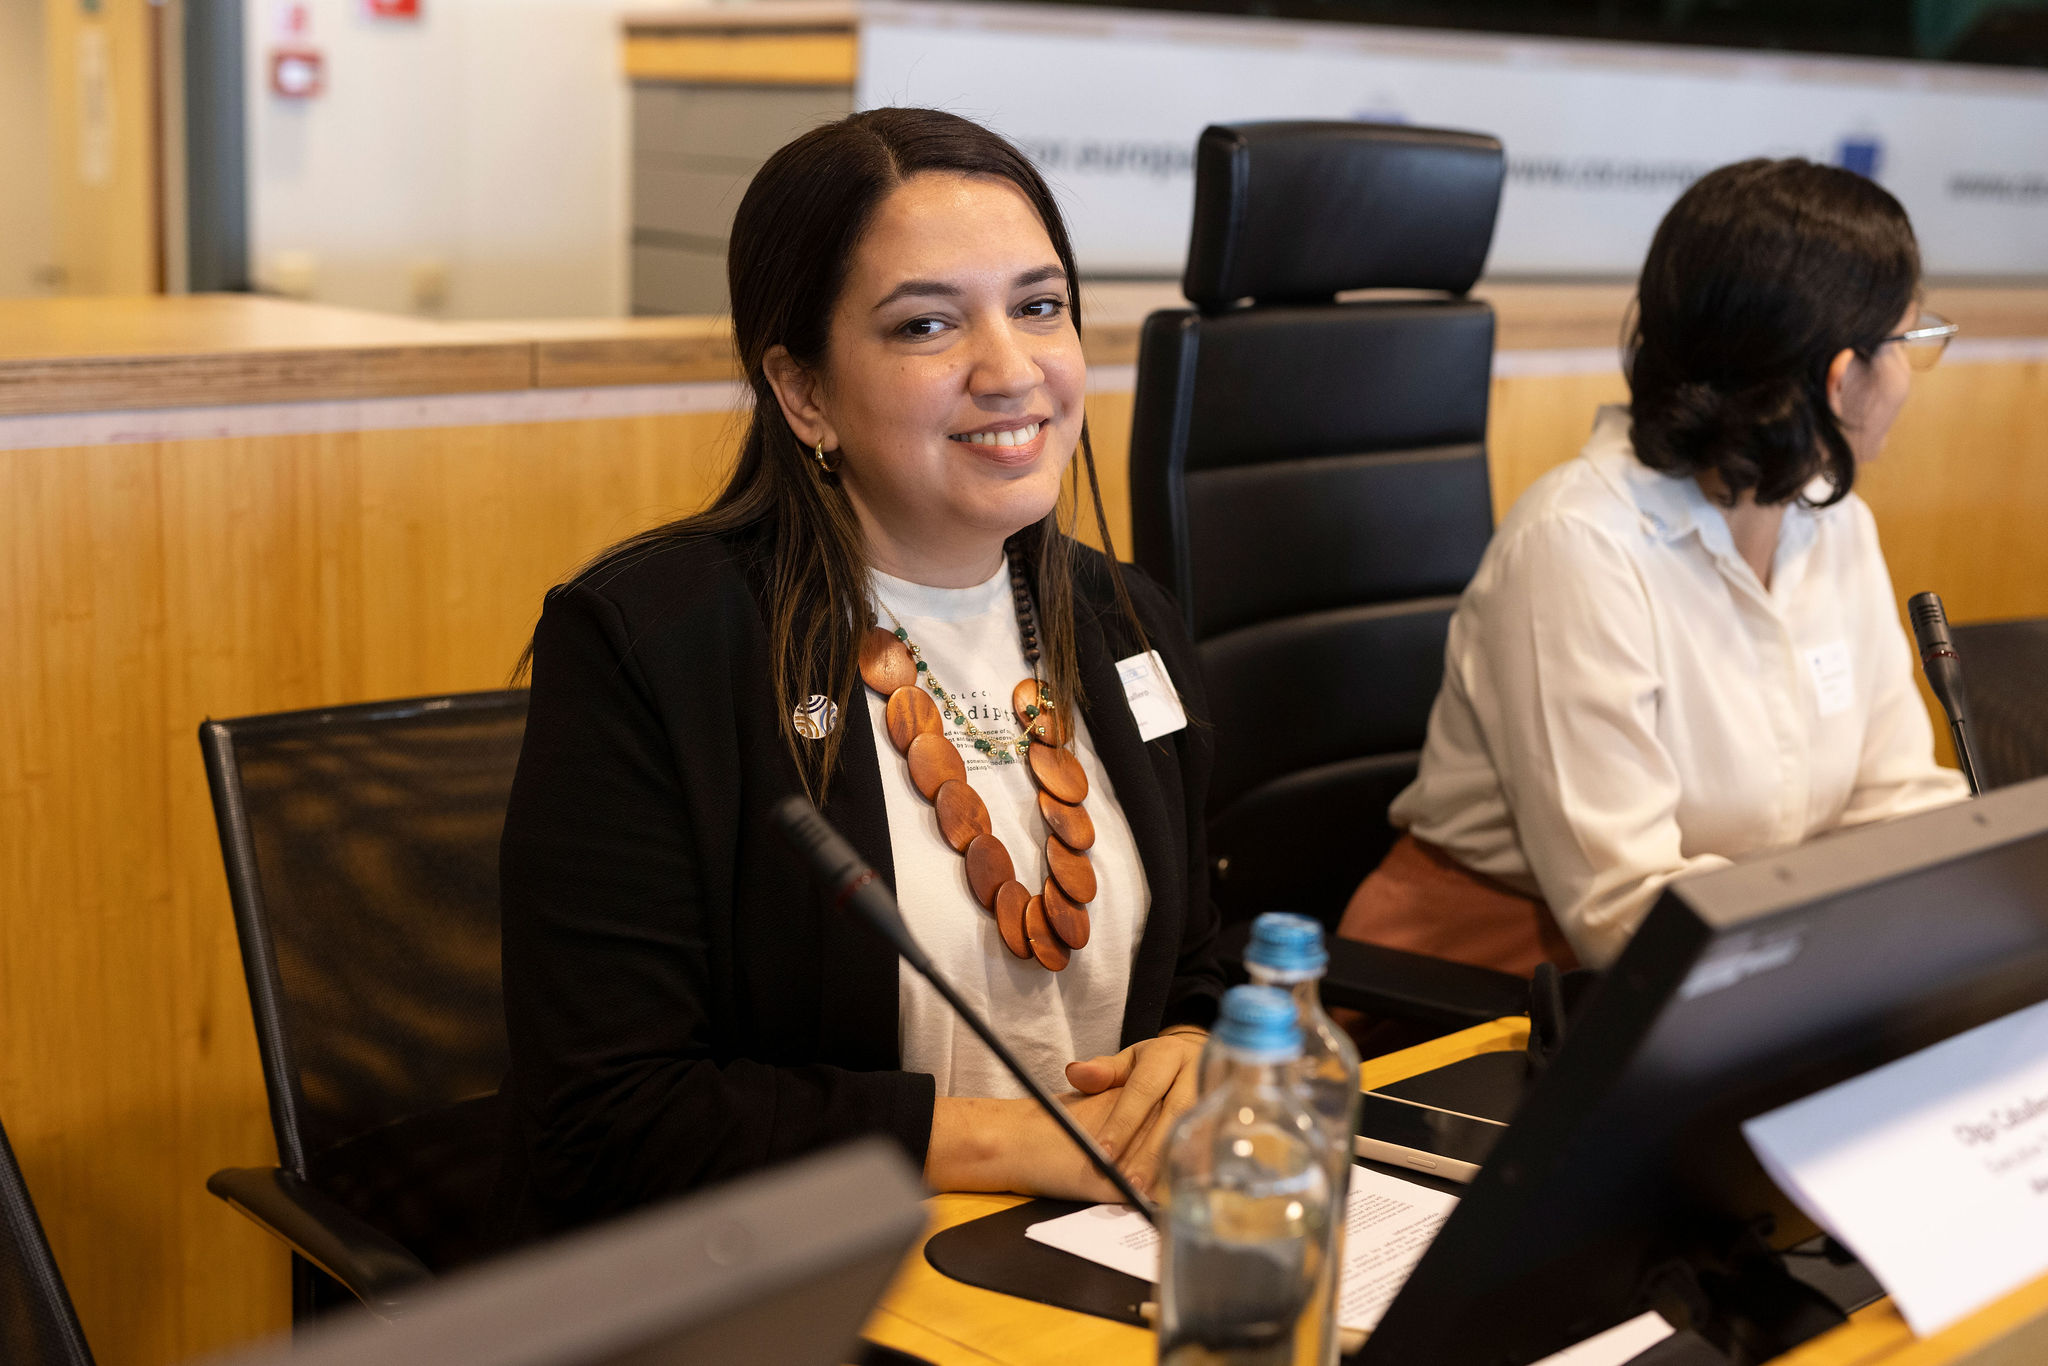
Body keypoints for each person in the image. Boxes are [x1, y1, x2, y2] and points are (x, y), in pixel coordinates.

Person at [497, 108, 1222, 1235]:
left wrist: (1188, 1049)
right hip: (796, 1287)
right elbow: (610, 1116)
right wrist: (1023, 1139)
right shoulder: (655, 644)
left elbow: (1199, 964)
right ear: (805, 396)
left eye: (1039, 307)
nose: (1011, 369)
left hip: (1101, 1254)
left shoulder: (1126, 621)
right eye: (927, 325)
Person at [1339, 158, 1969, 977]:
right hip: (1496, 987)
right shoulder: (1580, 544)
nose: (1909, 381)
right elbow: (1624, 910)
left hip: (1740, 963)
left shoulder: (1835, 521)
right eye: (1911, 343)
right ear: (1843, 380)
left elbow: (1894, 799)